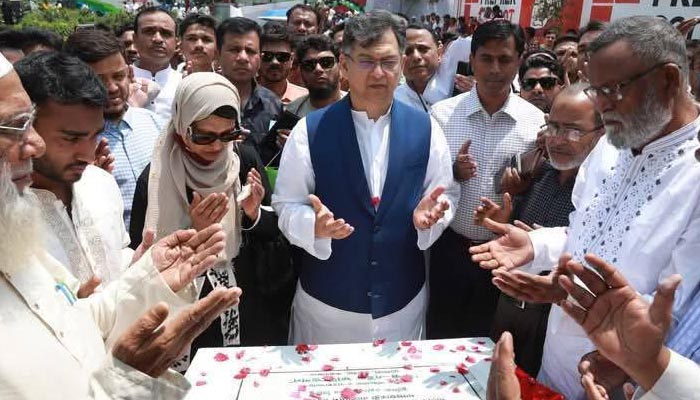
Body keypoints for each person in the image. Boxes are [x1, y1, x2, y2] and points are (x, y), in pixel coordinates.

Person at [470, 16, 700, 399]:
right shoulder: (611, 144)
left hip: (626, 377)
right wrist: (537, 246)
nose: (602, 106)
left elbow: (676, 307)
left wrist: (568, 294)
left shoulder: (695, 169)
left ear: (668, 80)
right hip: (557, 352)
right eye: (596, 90)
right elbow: (583, 229)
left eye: (614, 90)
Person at [0, 52, 241, 399]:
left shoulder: (87, 190)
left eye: (95, 134)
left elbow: (76, 320)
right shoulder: (19, 214)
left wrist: (148, 274)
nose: (34, 144)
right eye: (16, 126)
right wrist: (125, 380)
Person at [272, 10, 458, 345]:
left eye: (388, 61)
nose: (378, 72)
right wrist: (313, 225)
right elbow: (286, 205)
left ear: (401, 64)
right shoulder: (309, 131)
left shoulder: (426, 128)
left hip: (401, 304)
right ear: (344, 66)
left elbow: (445, 194)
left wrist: (431, 217)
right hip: (327, 308)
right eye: (366, 61)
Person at [129, 72, 266, 368]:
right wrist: (195, 233)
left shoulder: (244, 160)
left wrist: (252, 214)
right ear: (182, 127)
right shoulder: (156, 180)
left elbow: (270, 238)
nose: (217, 146)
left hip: (240, 302)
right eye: (204, 136)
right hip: (181, 308)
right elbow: (141, 256)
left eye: (228, 134)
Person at [477, 83, 604, 377]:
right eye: (553, 127)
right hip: (512, 304)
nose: (557, 140)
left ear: (602, 132)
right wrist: (504, 221)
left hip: (557, 315)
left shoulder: (601, 192)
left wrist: (548, 245)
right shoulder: (537, 172)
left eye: (573, 131)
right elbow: (515, 230)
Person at [428, 19, 544, 340]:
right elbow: (425, 183)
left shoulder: (536, 124)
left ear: (519, 61)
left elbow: (544, 189)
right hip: (449, 250)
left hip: (505, 254)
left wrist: (521, 191)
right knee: (441, 337)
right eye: (486, 59)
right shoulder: (441, 116)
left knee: (492, 343)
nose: (495, 69)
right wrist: (452, 172)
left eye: (504, 59)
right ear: (472, 60)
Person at [64, 29, 162, 229]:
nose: (112, 88)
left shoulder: (157, 125)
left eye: (118, 76)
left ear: (130, 73)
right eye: (98, 80)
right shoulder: (69, 144)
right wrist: (87, 184)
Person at [216, 17, 282, 146]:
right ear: (218, 54)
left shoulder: (273, 105)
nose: (243, 58)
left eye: (250, 51)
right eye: (234, 50)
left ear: (260, 58)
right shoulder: (202, 101)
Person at [132, 7, 182, 123]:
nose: (158, 39)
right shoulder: (120, 83)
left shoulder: (184, 83)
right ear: (135, 39)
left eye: (166, 33)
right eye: (149, 31)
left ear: (176, 43)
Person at [286, 34, 345, 118]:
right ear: (301, 71)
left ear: (340, 65)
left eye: (326, 62)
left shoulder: (358, 106)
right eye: (309, 65)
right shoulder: (292, 112)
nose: (318, 69)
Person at [394, 24, 441, 112]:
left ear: (439, 53)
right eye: (407, 51)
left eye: (423, 49)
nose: (416, 57)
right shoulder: (389, 105)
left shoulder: (459, 93)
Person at [259, 22, 307, 104]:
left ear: (291, 59)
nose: (275, 62)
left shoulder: (305, 99)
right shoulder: (242, 97)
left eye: (282, 56)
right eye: (268, 56)